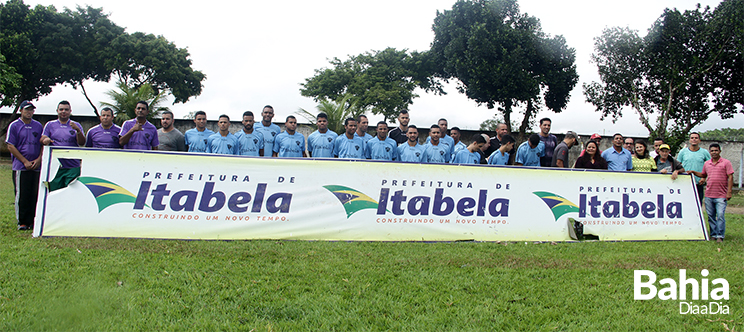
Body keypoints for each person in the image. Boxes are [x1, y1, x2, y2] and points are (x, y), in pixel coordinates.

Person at [6, 101, 43, 230]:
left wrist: (38, 160)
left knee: (35, 193)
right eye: (26, 109)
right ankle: (22, 221)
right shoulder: (15, 126)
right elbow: (10, 145)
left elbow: (42, 144)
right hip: (21, 167)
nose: (29, 112)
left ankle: (32, 220)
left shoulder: (38, 126)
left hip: (36, 166)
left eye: (31, 110)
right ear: (21, 111)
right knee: (22, 194)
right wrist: (24, 161)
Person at [686, 144, 733, 243]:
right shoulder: (707, 163)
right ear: (709, 152)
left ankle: (720, 235)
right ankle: (713, 234)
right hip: (709, 194)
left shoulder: (726, 163)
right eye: (712, 151)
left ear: (720, 151)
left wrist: (729, 192)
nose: (714, 152)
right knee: (711, 216)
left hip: (721, 194)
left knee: (720, 215)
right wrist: (694, 172)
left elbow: (730, 177)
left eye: (716, 150)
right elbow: (704, 174)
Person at [41, 100, 85, 191]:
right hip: (56, 166)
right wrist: (46, 140)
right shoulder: (50, 125)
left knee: (72, 192)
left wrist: (78, 131)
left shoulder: (76, 125)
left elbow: (82, 143)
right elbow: (43, 139)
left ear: (70, 111)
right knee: (55, 192)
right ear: (57, 110)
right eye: (61, 109)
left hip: (72, 166)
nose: (63, 112)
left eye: (66, 109)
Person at [677, 132, 711, 202]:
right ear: (689, 140)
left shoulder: (704, 152)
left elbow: (709, 166)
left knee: (698, 202)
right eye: (692, 138)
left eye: (696, 138)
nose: (694, 139)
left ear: (699, 140)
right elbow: (677, 165)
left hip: (698, 182)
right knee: (684, 202)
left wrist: (704, 177)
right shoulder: (683, 152)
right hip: (685, 181)